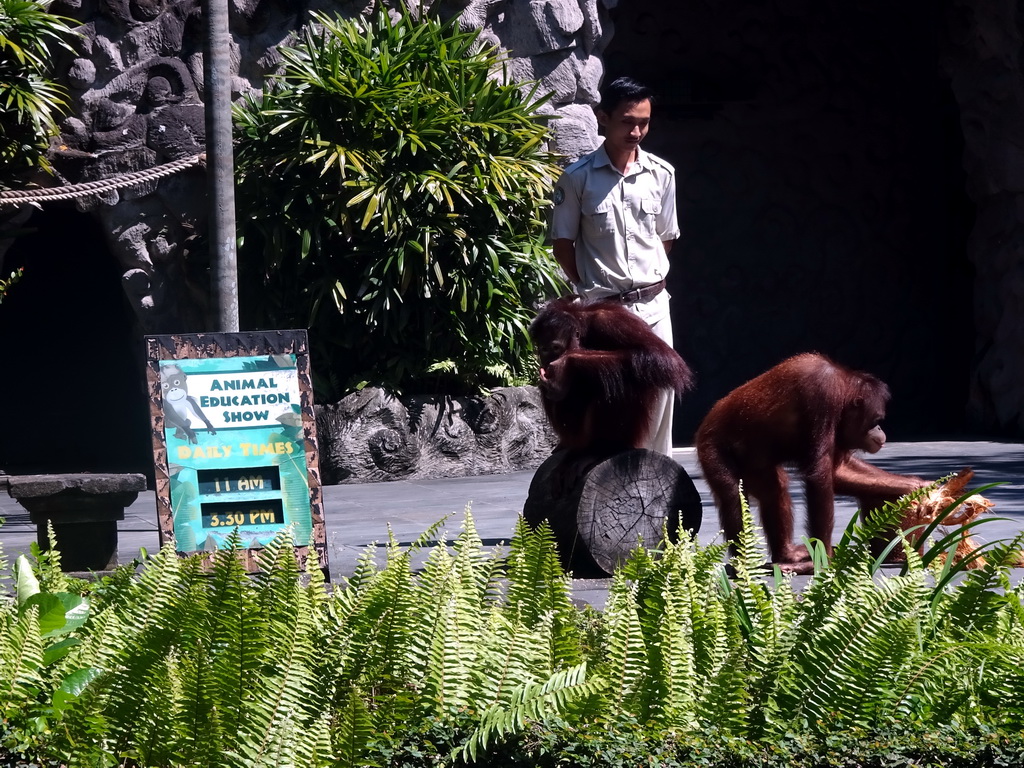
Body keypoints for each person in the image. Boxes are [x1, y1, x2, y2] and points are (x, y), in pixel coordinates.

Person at [549, 76, 680, 457]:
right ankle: (609, 486)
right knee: (613, 399)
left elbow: (666, 238)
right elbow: (563, 245)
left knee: (661, 396)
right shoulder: (577, 178)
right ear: (602, 118)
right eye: (627, 121)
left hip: (655, 306)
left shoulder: (662, 174)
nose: (636, 131)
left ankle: (658, 488)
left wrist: (645, 284)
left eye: (644, 121)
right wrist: (591, 291)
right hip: (605, 310)